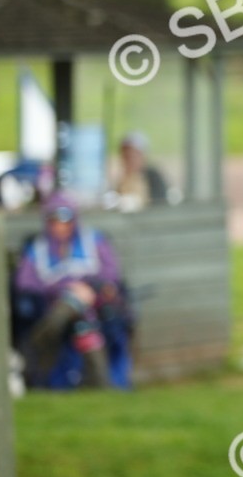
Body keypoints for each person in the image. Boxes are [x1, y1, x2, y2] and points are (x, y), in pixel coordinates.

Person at [13, 191, 133, 388]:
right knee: (79, 316)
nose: (61, 226)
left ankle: (42, 338)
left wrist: (87, 287)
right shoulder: (37, 248)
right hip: (54, 304)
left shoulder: (94, 240)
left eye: (66, 219)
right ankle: (102, 385)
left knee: (78, 307)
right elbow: (24, 283)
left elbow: (112, 273)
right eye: (55, 220)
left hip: (95, 302)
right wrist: (64, 288)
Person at [112, 131, 168, 211]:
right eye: (125, 156)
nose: (128, 160)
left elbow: (160, 203)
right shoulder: (124, 179)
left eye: (132, 156)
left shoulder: (153, 176)